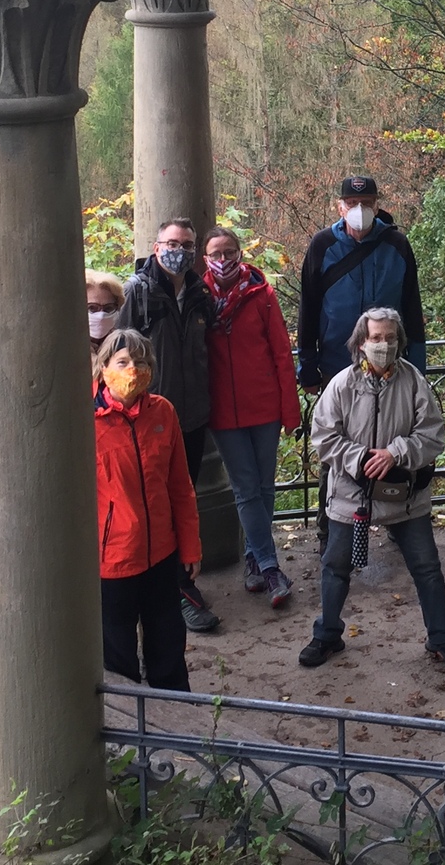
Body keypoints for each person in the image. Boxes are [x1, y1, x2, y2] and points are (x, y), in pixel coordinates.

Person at [299, 308, 445, 670]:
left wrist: (395, 453)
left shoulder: (413, 381)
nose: (383, 345)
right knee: (335, 567)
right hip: (351, 493)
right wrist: (361, 458)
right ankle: (327, 634)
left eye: (390, 338)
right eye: (376, 338)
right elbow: (324, 437)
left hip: (405, 495)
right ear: (361, 342)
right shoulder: (342, 384)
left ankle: (441, 637)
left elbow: (433, 434)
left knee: (427, 567)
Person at [116, 218, 221, 633]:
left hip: (191, 419)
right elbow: (115, 353)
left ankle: (179, 583)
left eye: (188, 244)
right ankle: (175, 591)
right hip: (148, 419)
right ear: (156, 246)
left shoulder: (199, 293)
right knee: (150, 504)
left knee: (182, 498)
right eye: (174, 243)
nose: (181, 250)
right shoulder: (136, 292)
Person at [94, 330, 201, 691]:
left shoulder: (163, 412)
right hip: (112, 561)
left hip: (161, 553)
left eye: (140, 362)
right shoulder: (85, 422)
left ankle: (180, 722)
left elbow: (180, 487)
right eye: (123, 362)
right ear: (104, 367)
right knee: (118, 656)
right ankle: (128, 738)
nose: (132, 370)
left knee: (168, 647)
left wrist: (190, 547)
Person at [202, 225, 302, 607]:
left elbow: (280, 353)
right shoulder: (199, 298)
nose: (224, 259)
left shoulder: (262, 295)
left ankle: (251, 560)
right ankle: (270, 565)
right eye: (216, 252)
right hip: (223, 413)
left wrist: (289, 412)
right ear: (205, 257)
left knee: (264, 488)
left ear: (240, 252)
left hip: (264, 407)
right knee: (245, 489)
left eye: (230, 251)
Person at [297, 176, 428, 389]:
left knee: (392, 423)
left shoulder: (397, 244)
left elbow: (412, 307)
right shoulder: (322, 245)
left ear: (376, 207)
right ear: (340, 208)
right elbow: (308, 309)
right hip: (336, 366)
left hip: (389, 366)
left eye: (366, 202)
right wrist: (308, 368)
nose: (359, 209)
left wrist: (417, 368)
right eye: (351, 203)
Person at [86, 269, 124, 362]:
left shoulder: (123, 346)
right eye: (92, 308)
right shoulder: (66, 347)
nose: (101, 316)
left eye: (108, 308)